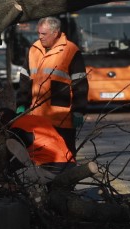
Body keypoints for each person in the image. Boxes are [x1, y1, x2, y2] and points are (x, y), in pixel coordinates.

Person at [17, 16, 88, 159]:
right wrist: (21, 104)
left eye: (43, 34)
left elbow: (80, 83)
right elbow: (25, 80)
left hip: (61, 119)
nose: (40, 37)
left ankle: (66, 181)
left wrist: (78, 110)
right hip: (37, 119)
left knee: (64, 158)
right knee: (41, 158)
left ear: (55, 33)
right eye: (38, 33)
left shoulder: (70, 50)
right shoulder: (34, 50)